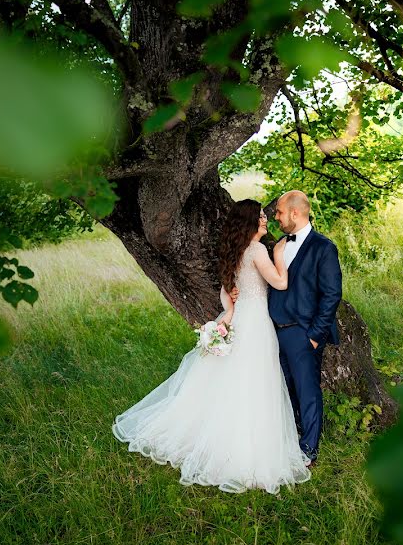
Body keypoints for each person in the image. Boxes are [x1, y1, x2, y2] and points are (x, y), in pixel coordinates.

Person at [112, 199, 311, 494]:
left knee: (233, 379)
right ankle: (246, 450)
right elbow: (280, 284)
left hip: (240, 317)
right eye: (259, 216)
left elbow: (225, 289)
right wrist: (279, 254)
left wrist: (229, 311)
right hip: (255, 323)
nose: (265, 219)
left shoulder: (238, 251)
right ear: (248, 222)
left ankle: (227, 440)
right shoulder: (257, 250)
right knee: (254, 381)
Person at [268, 191, 343, 466]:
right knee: (286, 389)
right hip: (276, 331)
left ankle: (309, 449)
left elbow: (332, 294)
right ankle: (291, 438)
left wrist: (314, 336)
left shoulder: (324, 248)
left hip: (303, 334)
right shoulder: (279, 245)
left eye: (279, 212)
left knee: (307, 391)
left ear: (295, 213)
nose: (276, 217)